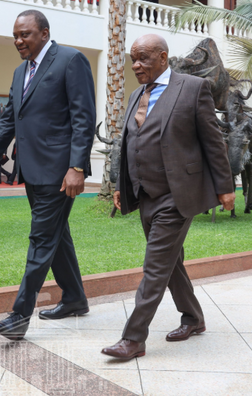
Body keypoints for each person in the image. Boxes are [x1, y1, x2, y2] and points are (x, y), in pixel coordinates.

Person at [101, 34, 235, 360]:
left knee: (155, 265)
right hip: (145, 194)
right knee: (171, 262)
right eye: (133, 59)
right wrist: (120, 185)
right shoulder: (136, 95)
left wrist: (225, 186)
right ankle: (194, 317)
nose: (136, 65)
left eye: (143, 58)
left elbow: (213, 142)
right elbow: (128, 144)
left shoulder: (192, 88)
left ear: (162, 57)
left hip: (179, 194)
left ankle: (133, 339)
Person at [0, 9, 96, 341]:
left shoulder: (71, 60)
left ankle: (19, 316)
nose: (18, 41)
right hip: (32, 170)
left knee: (41, 239)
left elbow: (84, 118)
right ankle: (74, 299)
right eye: (15, 35)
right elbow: (9, 120)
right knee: (57, 237)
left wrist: (77, 167)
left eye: (24, 34)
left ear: (44, 33)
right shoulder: (20, 72)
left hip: (60, 172)